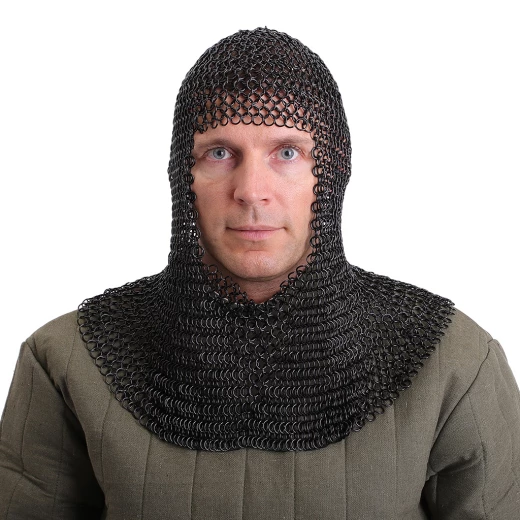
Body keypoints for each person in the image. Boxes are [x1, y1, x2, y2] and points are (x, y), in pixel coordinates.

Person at [0, 27, 519, 519]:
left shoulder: (451, 363)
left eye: (287, 153)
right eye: (219, 153)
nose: (251, 190)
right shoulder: (69, 361)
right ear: (183, 174)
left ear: (333, 171)